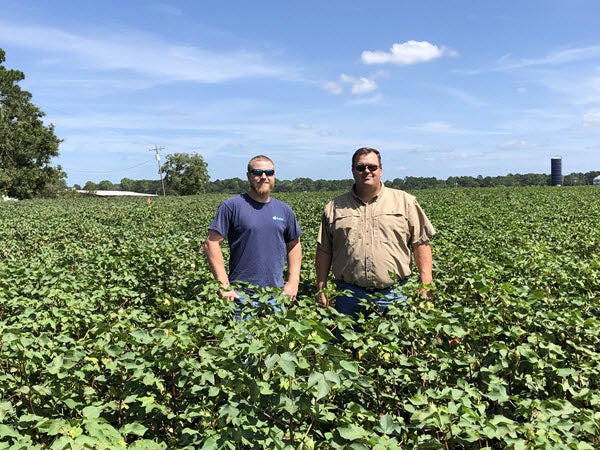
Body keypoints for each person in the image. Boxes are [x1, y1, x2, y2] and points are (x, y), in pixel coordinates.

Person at [315, 147, 435, 319]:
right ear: (353, 171)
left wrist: (426, 284)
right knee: (346, 344)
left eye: (372, 167)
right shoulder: (334, 207)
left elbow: (420, 243)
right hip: (348, 296)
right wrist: (321, 287)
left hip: (395, 294)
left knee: (397, 343)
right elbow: (324, 250)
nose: (367, 171)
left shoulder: (405, 202)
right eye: (360, 167)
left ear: (380, 169)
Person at [204, 155, 302, 308]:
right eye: (257, 172)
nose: (264, 177)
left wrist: (293, 281)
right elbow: (211, 243)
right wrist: (224, 285)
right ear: (248, 176)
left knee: (277, 332)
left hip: (277, 293)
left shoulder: (284, 210)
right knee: (241, 333)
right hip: (241, 294)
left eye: (269, 172)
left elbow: (294, 245)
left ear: (274, 176)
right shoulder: (232, 206)